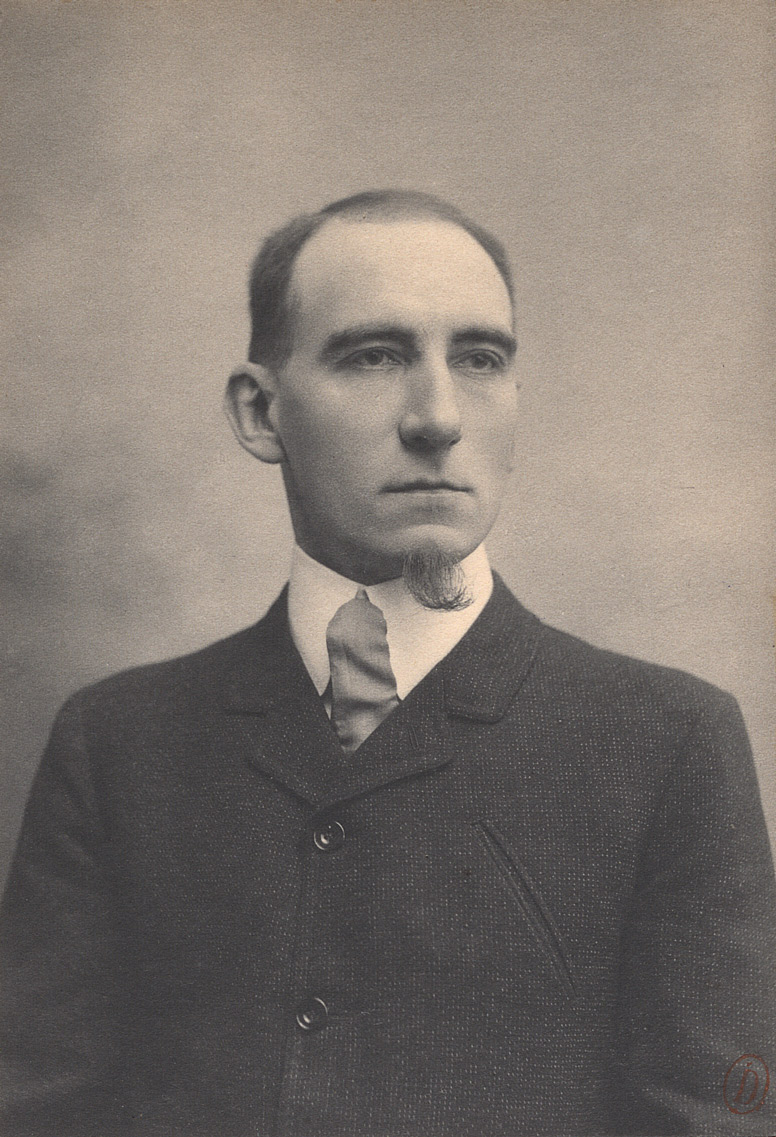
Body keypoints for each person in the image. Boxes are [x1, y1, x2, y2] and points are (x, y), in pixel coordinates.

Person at [2, 189, 775, 1137]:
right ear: (260, 411)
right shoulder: (118, 742)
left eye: (481, 360)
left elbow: (728, 1113)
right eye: (374, 356)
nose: (439, 417)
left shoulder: (666, 743)